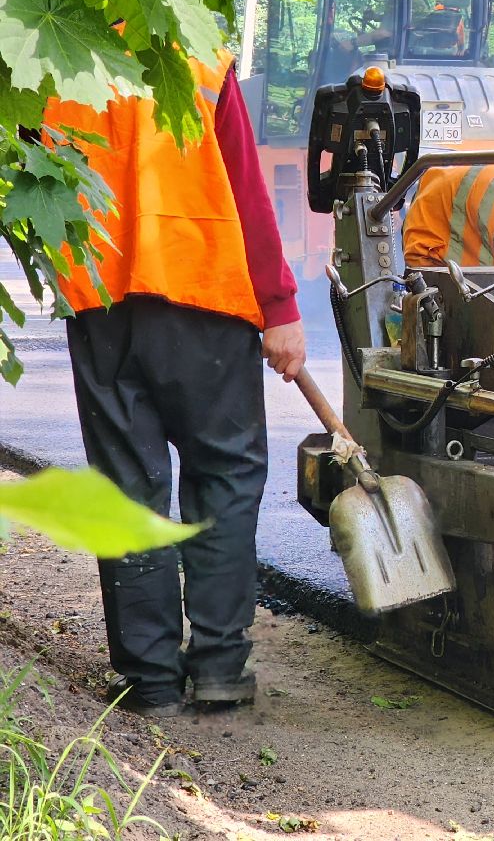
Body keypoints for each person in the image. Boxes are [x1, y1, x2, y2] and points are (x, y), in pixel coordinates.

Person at [51, 45, 305, 718]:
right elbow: (247, 194)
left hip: (101, 301)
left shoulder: (46, 58)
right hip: (205, 298)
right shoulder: (200, 60)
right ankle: (220, 669)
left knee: (128, 489)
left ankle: (149, 678)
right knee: (223, 475)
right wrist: (279, 308)